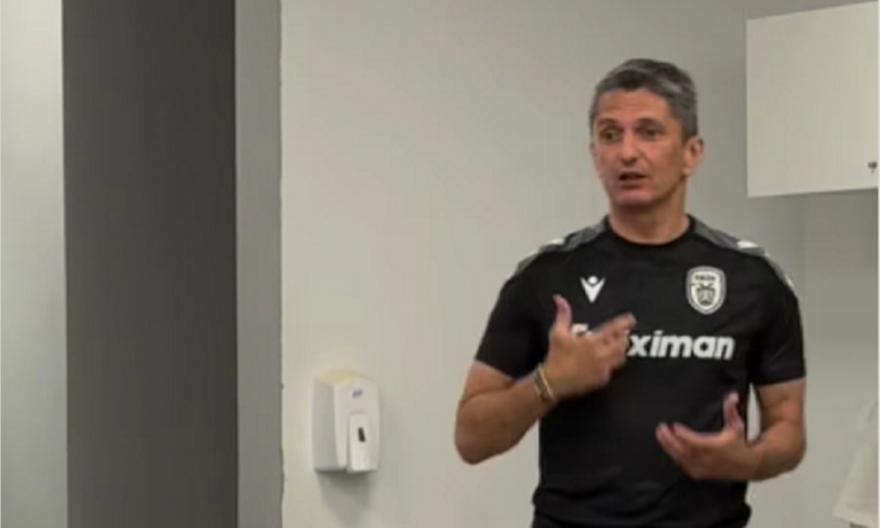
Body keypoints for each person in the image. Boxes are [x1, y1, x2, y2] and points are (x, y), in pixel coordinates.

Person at [454, 58, 807, 528]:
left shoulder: (754, 280)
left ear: (692, 153)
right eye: (610, 135)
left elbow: (788, 428)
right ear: (594, 154)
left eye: (649, 132)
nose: (627, 152)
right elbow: (471, 438)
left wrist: (750, 461)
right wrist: (549, 382)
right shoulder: (545, 278)